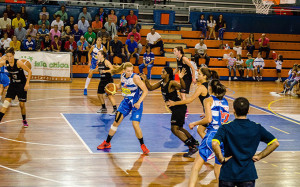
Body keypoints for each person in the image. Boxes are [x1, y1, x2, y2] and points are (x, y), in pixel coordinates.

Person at [212, 97, 279, 187]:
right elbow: (275, 143)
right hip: (248, 174)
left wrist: (221, 159)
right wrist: (259, 156)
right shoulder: (256, 127)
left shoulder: (225, 127)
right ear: (248, 110)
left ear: (234, 110)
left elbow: (214, 143)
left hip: (228, 173)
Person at [142, 67, 199, 157]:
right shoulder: (161, 82)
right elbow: (150, 88)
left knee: (174, 129)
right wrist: (145, 80)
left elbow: (183, 87)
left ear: (168, 74)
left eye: (163, 72)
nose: (161, 73)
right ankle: (194, 142)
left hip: (179, 107)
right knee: (179, 128)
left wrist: (180, 78)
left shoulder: (171, 83)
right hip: (176, 108)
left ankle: (192, 147)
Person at [97, 62, 150, 155]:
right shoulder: (122, 76)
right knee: (115, 122)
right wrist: (113, 87)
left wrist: (138, 102)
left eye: (131, 70)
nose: (130, 72)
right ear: (124, 71)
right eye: (128, 71)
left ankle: (143, 145)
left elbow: (145, 91)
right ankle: (107, 143)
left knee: (135, 125)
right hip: (126, 102)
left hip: (136, 103)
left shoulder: (135, 78)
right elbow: (120, 86)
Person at [188, 79, 229, 186]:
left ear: (210, 88)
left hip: (213, 135)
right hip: (224, 137)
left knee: (196, 168)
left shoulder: (208, 100)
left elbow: (209, 120)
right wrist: (207, 114)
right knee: (218, 169)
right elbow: (218, 114)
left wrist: (194, 123)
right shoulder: (225, 101)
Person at [167, 67, 219, 139]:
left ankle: (210, 145)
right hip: (216, 113)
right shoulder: (210, 86)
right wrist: (207, 111)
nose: (197, 75)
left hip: (212, 115)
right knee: (201, 130)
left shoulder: (201, 87)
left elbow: (190, 100)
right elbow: (214, 101)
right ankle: (211, 145)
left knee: (202, 131)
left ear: (205, 76)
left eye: (200, 74)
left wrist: (174, 103)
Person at [0, 47, 32, 127]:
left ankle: (24, 120)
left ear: (13, 55)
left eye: (11, 56)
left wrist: (27, 83)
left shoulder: (18, 63)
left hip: (21, 85)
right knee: (5, 104)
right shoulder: (5, 62)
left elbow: (29, 71)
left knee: (22, 105)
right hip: (13, 85)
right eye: (8, 56)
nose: (9, 58)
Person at [92, 50, 117, 115]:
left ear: (102, 55)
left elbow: (112, 69)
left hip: (108, 80)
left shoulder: (106, 62)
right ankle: (103, 108)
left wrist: (105, 71)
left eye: (98, 54)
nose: (97, 55)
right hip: (102, 80)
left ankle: (115, 109)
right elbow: (99, 69)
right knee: (99, 94)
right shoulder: (99, 62)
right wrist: (93, 70)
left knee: (109, 95)